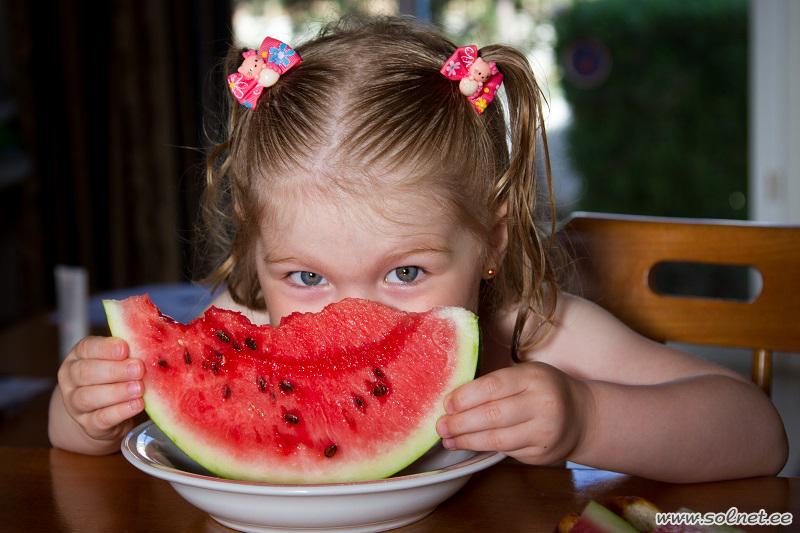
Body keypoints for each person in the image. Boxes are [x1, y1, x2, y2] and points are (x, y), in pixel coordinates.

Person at [48, 15, 787, 482]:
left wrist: (588, 415)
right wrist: (86, 410)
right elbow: (79, 445)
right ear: (256, 239)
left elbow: (756, 433)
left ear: (493, 239)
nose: (354, 312)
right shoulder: (240, 317)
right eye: (306, 274)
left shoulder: (532, 330)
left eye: (406, 270)